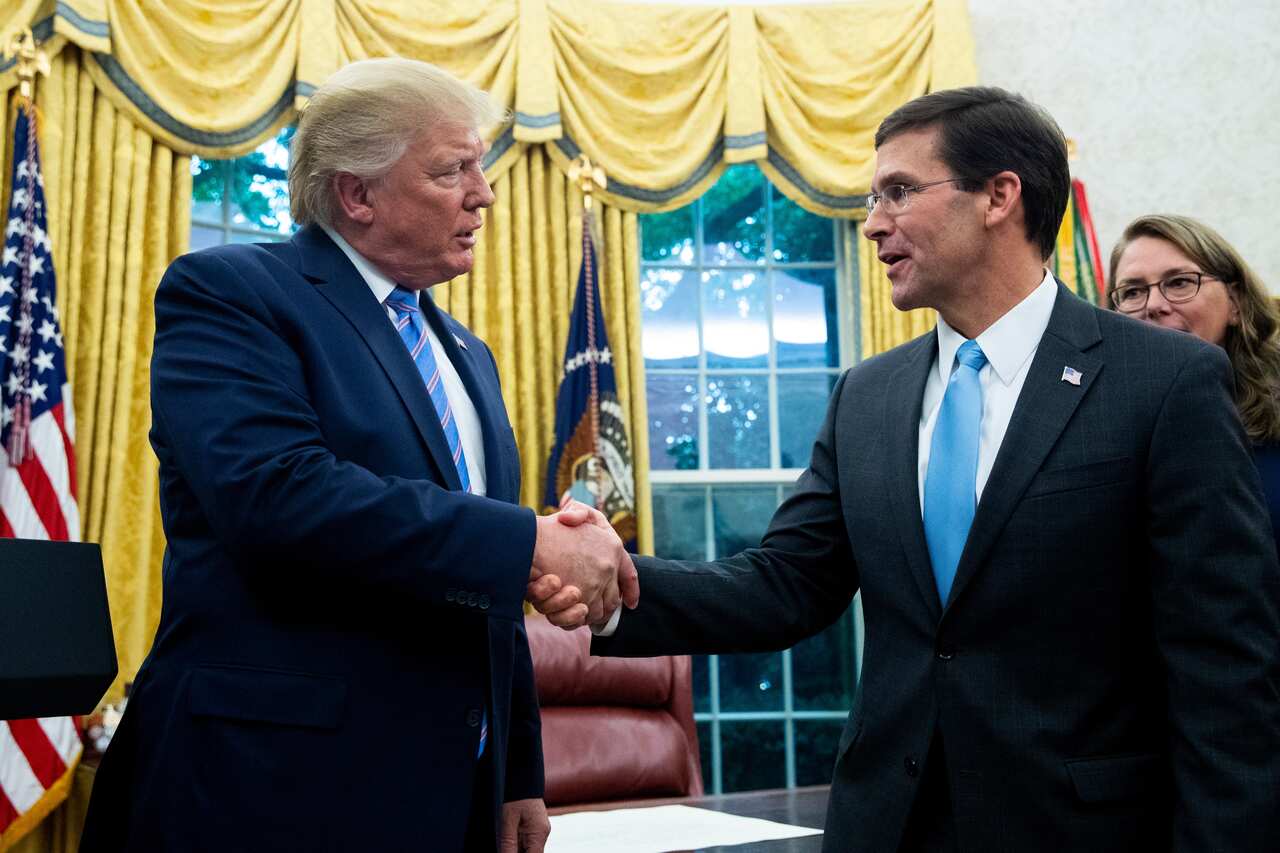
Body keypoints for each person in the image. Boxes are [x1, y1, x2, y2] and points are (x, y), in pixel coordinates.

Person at [539, 87, 1280, 852]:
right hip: (886, 826)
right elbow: (786, 584)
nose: (872, 224)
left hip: (1079, 828)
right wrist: (614, 581)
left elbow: (1223, 666)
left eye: (899, 191)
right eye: (872, 197)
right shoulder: (869, 394)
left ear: (999, 196)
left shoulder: (1163, 382)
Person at [79, 58, 634, 853]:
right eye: (454, 170)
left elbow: (486, 593)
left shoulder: (468, 355)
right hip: (266, 791)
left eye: (482, 168)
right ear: (357, 194)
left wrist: (517, 770)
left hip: (448, 797)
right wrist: (529, 541)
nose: (485, 194)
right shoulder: (230, 292)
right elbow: (277, 495)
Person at [1107, 214, 1280, 546]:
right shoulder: (1098, 424)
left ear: (1236, 303)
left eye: (1180, 282)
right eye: (1132, 291)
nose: (1154, 305)